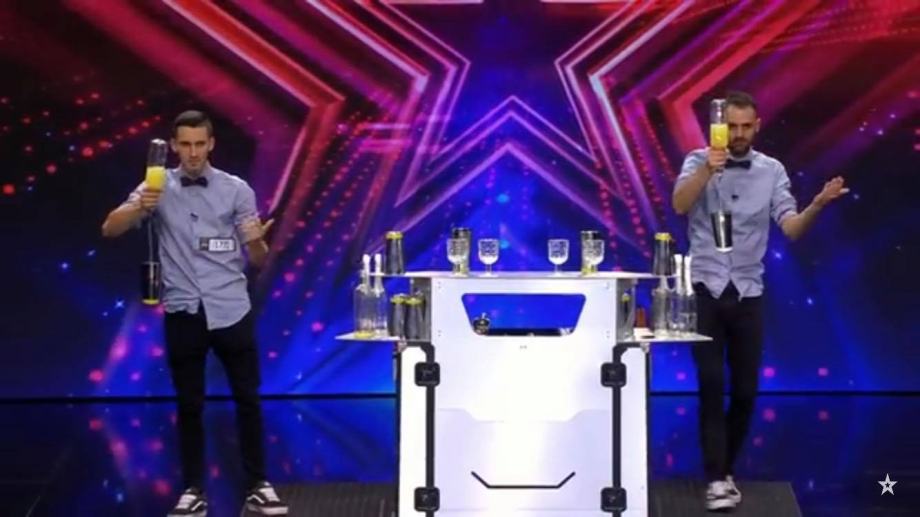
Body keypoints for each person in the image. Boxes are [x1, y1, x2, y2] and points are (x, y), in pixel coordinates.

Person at [102, 110, 288, 516]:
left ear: (211, 144)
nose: (192, 153)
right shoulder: (156, 186)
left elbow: (258, 259)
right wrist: (138, 208)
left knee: (247, 399)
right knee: (189, 405)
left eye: (199, 144)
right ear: (173, 146)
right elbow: (110, 228)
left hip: (231, 308)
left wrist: (257, 242)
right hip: (184, 310)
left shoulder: (236, 190)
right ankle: (193, 490)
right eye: (185, 144)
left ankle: (258, 484)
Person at [672, 91, 848, 511]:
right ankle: (716, 479)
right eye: (730, 126)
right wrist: (706, 171)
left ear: (756, 127)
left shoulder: (772, 171)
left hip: (748, 292)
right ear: (719, 127)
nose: (737, 134)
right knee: (711, 384)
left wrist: (818, 204)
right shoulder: (697, 161)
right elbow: (679, 205)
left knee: (746, 391)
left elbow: (791, 228)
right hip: (705, 289)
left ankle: (725, 471)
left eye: (744, 127)